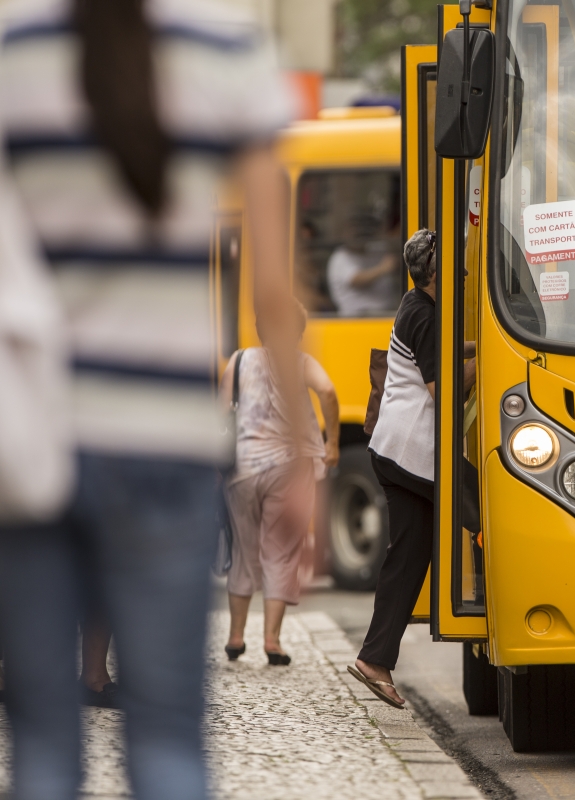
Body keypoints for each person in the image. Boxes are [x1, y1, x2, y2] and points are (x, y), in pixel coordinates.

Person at [0, 1, 304, 799]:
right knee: (169, 742)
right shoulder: (229, 51)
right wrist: (303, 458)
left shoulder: (15, 52)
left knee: (41, 751)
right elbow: (273, 295)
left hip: (32, 443)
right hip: (166, 444)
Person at [346, 228, 479, 708]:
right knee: (485, 510)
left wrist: (482, 345)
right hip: (413, 454)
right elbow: (444, 390)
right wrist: (492, 363)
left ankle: (374, 660)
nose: (464, 269)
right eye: (455, 262)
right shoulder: (425, 315)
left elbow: (446, 350)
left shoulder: (416, 304)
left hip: (397, 450)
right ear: (436, 271)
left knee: (408, 558)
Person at [220, 301, 339, 666]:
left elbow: (222, 411)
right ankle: (272, 641)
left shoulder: (239, 361)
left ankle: (236, 636)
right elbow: (328, 391)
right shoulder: (301, 362)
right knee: (281, 552)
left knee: (243, 550)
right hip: (289, 467)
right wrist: (332, 442)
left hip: (242, 468)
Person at [327, 216, 401, 316]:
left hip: (387, 312)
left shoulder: (375, 249)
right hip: (359, 317)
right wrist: (383, 269)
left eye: (361, 230)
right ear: (344, 234)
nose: (358, 234)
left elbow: (394, 244)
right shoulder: (340, 257)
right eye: (352, 231)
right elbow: (357, 280)